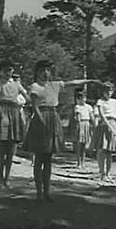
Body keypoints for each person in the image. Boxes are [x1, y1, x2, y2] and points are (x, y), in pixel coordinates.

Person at [23, 60, 100, 201]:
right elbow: (35, 108)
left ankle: (46, 191)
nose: (45, 73)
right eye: (42, 70)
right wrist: (42, 123)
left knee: (48, 159)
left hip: (53, 118)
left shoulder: (55, 85)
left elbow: (73, 83)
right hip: (41, 120)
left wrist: (90, 81)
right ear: (37, 72)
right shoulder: (35, 87)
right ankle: (39, 192)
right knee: (39, 158)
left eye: (48, 70)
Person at [94, 82, 116, 182]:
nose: (109, 93)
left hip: (114, 122)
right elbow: (102, 115)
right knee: (102, 150)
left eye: (111, 90)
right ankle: (102, 172)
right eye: (107, 91)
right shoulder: (100, 102)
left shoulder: (115, 102)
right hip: (105, 124)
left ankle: (108, 173)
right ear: (103, 92)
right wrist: (109, 126)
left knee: (110, 151)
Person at [74, 90, 95, 170]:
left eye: (84, 98)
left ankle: (83, 162)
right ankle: (79, 162)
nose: (83, 99)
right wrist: (78, 126)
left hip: (87, 123)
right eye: (82, 98)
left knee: (84, 145)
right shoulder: (77, 107)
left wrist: (93, 125)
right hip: (81, 123)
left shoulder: (89, 107)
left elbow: (91, 116)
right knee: (80, 144)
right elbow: (78, 117)